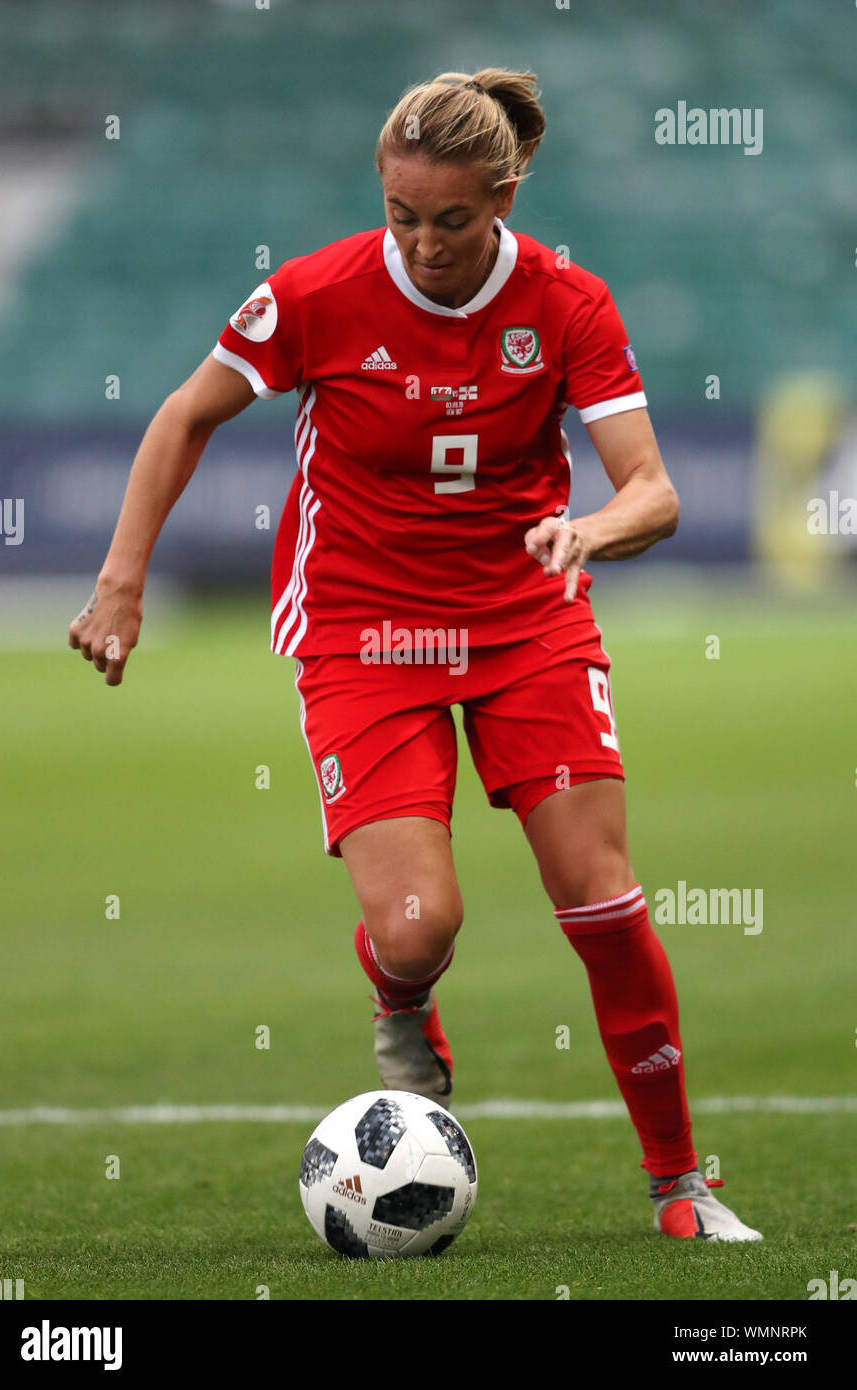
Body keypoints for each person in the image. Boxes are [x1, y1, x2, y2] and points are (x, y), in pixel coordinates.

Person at [69, 68, 761, 1242]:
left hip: (525, 618)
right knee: (414, 924)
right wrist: (121, 580)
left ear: (503, 194)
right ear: (380, 195)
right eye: (402, 216)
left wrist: (586, 527)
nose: (425, 244)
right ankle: (402, 995)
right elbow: (183, 417)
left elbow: (654, 491)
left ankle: (680, 1186)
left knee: (600, 896)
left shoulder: (568, 303)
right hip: (362, 625)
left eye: (452, 220)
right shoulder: (313, 295)